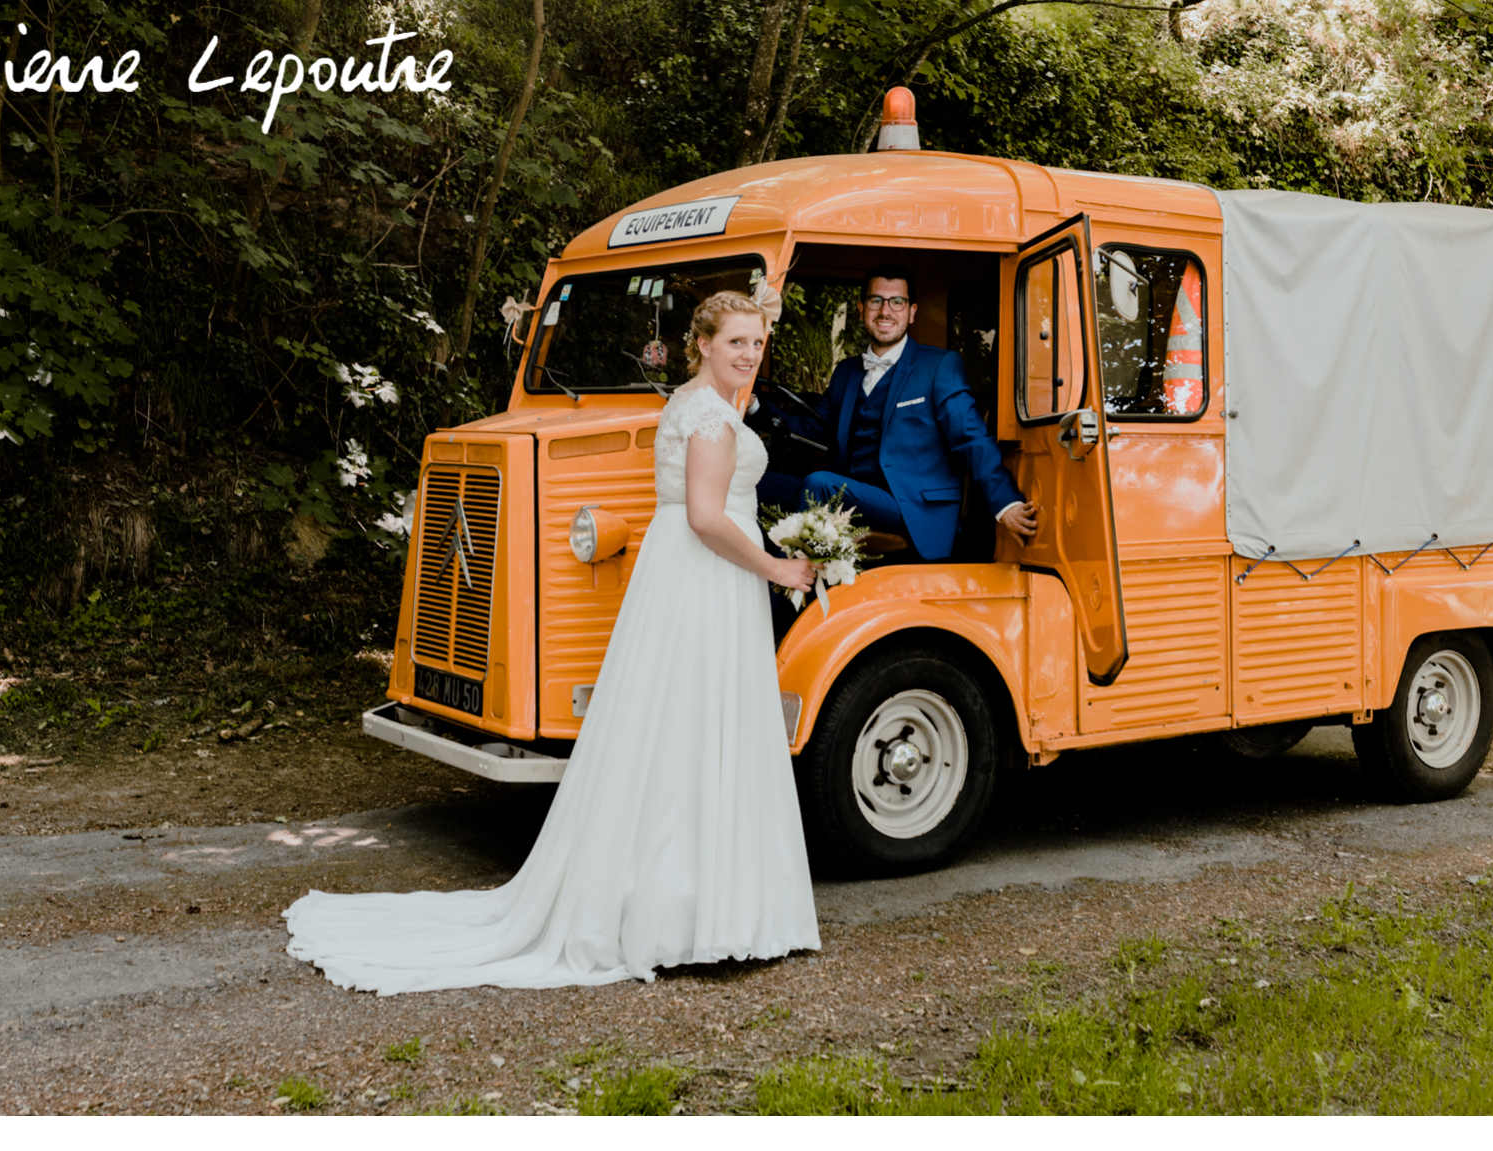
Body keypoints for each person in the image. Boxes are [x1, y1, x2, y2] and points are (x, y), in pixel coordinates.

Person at [283, 293, 820, 992]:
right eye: (736, 343)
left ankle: (679, 897)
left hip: (681, 577)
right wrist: (778, 565)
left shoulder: (689, 401)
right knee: (700, 722)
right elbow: (706, 517)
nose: (749, 354)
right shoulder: (713, 417)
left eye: (757, 342)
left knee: (674, 724)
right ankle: (698, 909)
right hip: (708, 575)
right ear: (703, 344)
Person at [767, 266, 1037, 560]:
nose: (886, 311)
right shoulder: (846, 371)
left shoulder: (939, 365)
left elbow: (970, 437)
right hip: (853, 494)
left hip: (912, 505)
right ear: (861, 309)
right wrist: (754, 407)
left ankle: (793, 589)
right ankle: (758, 587)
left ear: (911, 312)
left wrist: (1005, 502)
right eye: (876, 301)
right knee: (754, 483)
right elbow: (815, 430)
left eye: (897, 302)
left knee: (820, 483)